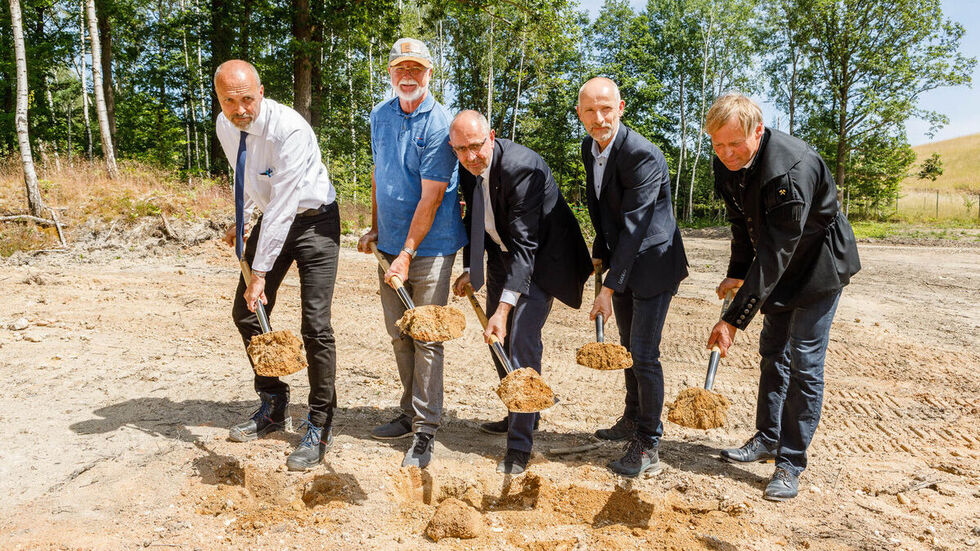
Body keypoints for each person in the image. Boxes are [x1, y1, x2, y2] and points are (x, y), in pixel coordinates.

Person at [705, 93, 860, 501]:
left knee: (805, 363)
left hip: (816, 268)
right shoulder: (727, 163)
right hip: (776, 267)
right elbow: (742, 223)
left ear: (758, 130)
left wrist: (733, 319)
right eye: (717, 145)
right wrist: (738, 273)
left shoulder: (791, 170)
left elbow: (776, 253)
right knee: (774, 352)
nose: (726, 153)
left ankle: (790, 462)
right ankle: (768, 437)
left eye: (734, 143)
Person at [449, 110, 592, 475]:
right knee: (501, 341)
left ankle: (519, 447)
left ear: (492, 137)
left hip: (543, 258)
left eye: (477, 147)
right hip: (502, 255)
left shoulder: (520, 167)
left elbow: (527, 245)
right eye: (461, 150)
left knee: (522, 339)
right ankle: (521, 411)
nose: (470, 156)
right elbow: (475, 219)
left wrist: (503, 307)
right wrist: (471, 268)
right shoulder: (469, 166)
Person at [213, 60, 340, 471]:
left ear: (262, 92)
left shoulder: (291, 130)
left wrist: (261, 273)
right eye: (230, 101)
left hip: (316, 221)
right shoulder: (224, 125)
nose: (240, 109)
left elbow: (285, 202)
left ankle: (320, 423)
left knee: (315, 325)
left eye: (247, 98)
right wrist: (243, 216)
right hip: (273, 216)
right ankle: (273, 403)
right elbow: (250, 176)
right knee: (246, 313)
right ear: (220, 99)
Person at [357, 38, 466, 469]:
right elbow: (378, 172)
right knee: (399, 332)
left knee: (427, 335)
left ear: (429, 74)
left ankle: (425, 429)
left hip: (431, 248)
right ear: (390, 74)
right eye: (400, 69)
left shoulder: (440, 123)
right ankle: (408, 412)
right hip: (391, 245)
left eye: (416, 69)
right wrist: (378, 227)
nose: (408, 76)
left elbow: (433, 196)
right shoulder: (380, 116)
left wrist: (405, 251)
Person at [576, 77, 689, 478]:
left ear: (620, 107)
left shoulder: (642, 154)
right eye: (590, 110)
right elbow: (601, 205)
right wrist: (600, 250)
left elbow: (637, 223)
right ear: (580, 114)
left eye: (606, 108)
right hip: (622, 258)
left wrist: (608, 287)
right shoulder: (590, 147)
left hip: (655, 262)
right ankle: (631, 416)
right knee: (627, 348)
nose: (599, 117)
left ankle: (648, 444)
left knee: (643, 352)